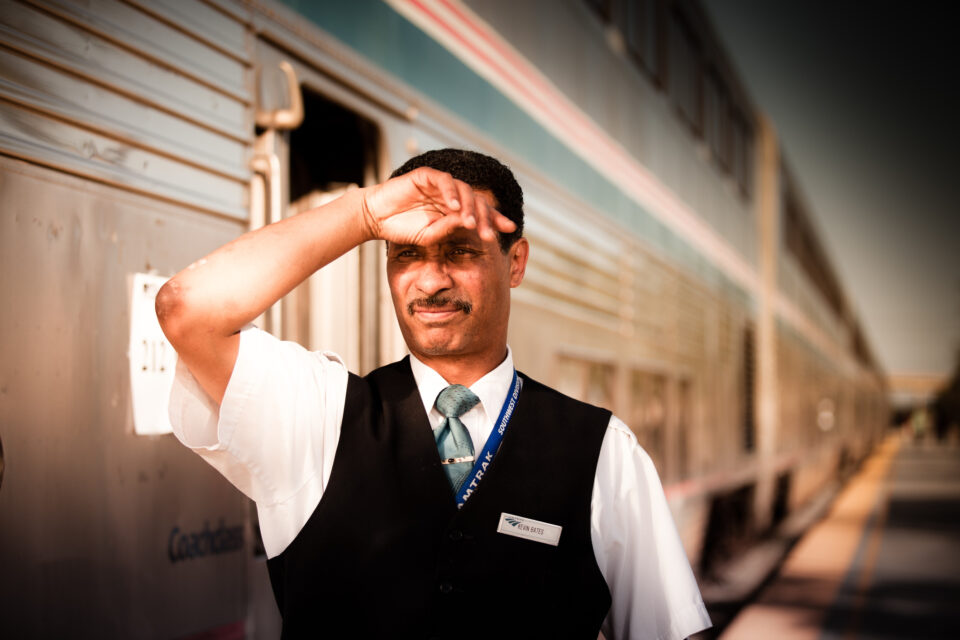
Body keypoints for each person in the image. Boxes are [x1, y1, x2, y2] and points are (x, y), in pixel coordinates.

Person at [158, 148, 711, 639]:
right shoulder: (318, 418)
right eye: (406, 254)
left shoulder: (603, 451)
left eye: (461, 251)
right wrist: (366, 214)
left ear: (515, 262)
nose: (430, 281)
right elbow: (187, 309)